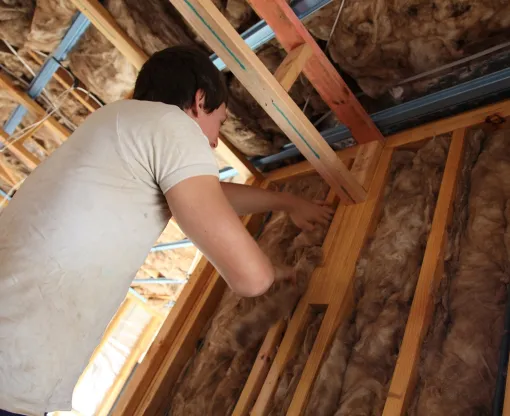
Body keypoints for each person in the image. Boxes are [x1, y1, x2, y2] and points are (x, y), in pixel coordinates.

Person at [0, 46, 332, 416]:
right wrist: (276, 276)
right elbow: (251, 279)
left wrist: (285, 203)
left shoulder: (120, 126)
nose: (214, 142)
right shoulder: (173, 125)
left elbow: (205, 195)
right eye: (219, 122)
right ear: (199, 99)